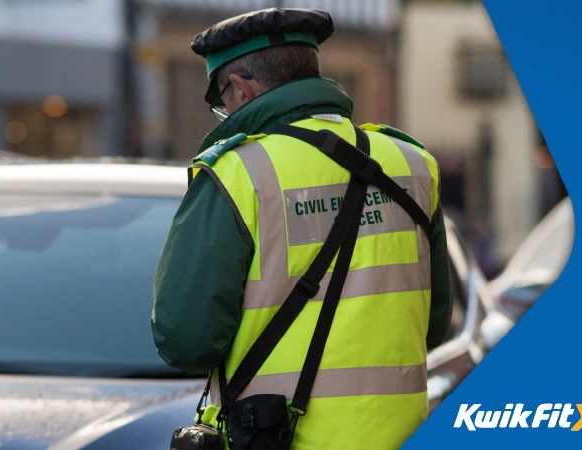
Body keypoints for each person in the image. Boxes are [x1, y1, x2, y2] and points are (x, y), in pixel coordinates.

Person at [152, 7, 452, 450]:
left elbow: (185, 339)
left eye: (222, 101)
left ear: (239, 87)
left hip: (277, 437)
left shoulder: (237, 174)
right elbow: (434, 323)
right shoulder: (413, 164)